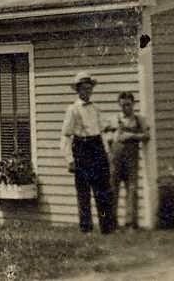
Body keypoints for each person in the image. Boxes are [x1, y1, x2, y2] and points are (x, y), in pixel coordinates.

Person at [60, 72, 116, 233]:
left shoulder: (96, 109)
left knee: (103, 189)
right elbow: (66, 135)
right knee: (83, 191)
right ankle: (86, 227)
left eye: (89, 88)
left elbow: (103, 128)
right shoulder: (73, 110)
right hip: (82, 148)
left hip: (97, 147)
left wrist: (107, 149)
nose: (87, 91)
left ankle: (107, 227)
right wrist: (69, 159)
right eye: (84, 89)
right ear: (78, 90)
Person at [108, 91, 149, 230]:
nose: (125, 108)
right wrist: (112, 136)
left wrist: (131, 135)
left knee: (132, 189)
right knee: (113, 189)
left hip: (131, 159)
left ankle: (131, 223)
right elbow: (105, 134)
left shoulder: (139, 119)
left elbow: (146, 135)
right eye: (123, 105)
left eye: (128, 105)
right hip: (115, 159)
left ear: (133, 104)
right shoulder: (114, 119)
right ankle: (112, 222)